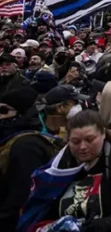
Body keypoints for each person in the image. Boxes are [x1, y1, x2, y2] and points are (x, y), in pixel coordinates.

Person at [19, 109, 111, 232]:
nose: (83, 147)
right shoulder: (60, 165)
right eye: (75, 141)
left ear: (103, 134)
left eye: (90, 139)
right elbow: (43, 204)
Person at [0, 86, 61, 230]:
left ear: (23, 113)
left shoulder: (26, 146)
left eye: (4, 111)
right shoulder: (12, 140)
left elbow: (21, 196)